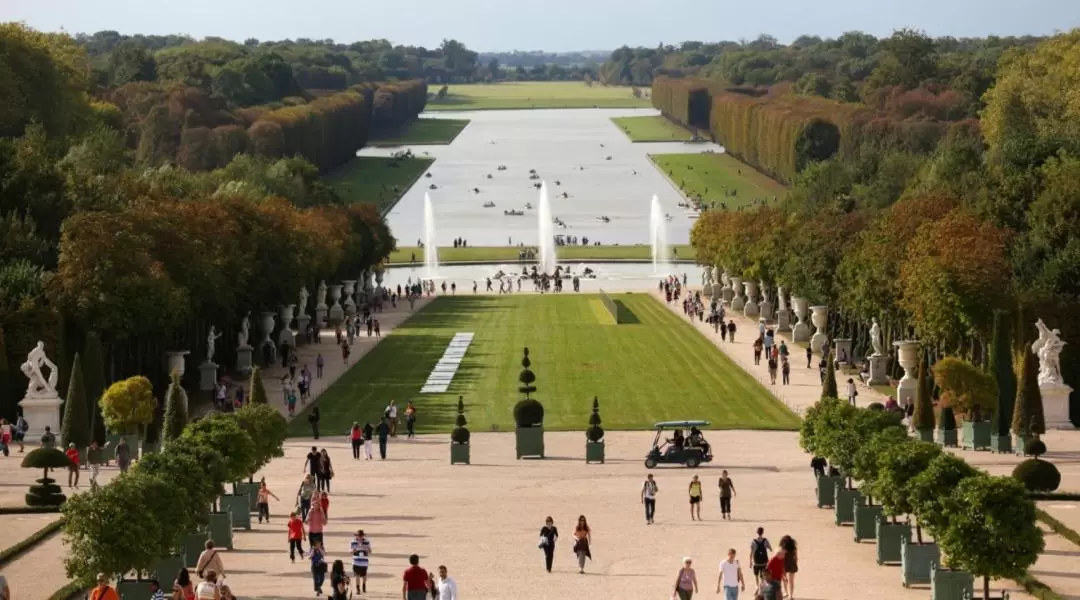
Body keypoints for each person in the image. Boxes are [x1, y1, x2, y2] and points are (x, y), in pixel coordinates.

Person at [350, 530, 372, 594]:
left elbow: (370, 551)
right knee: (357, 575)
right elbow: (350, 552)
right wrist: (353, 550)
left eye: (361, 536)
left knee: (364, 575)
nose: (360, 537)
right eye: (358, 536)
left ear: (363, 536)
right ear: (356, 536)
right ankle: (358, 589)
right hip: (356, 561)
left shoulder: (367, 542)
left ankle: (364, 585)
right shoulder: (353, 542)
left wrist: (367, 549)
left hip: (364, 562)